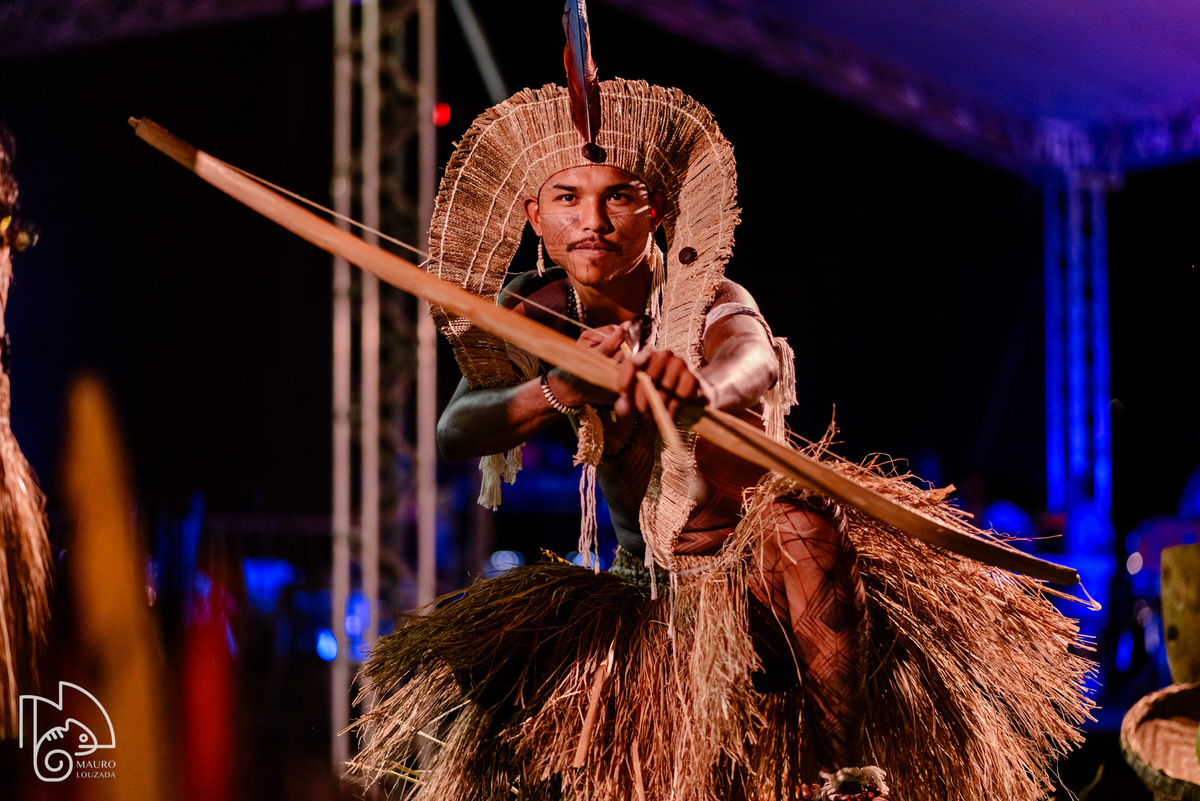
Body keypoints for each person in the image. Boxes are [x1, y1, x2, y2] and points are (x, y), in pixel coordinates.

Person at [352, 78, 1091, 801]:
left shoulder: (706, 295)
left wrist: (698, 386)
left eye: (619, 196)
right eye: (567, 198)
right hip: (646, 591)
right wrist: (563, 388)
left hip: (754, 582)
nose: (594, 221)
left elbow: (753, 354)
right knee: (500, 652)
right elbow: (457, 429)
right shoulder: (533, 312)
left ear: (659, 212)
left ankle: (844, 777)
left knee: (802, 528)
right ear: (533, 217)